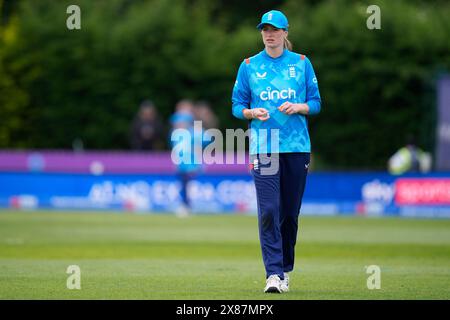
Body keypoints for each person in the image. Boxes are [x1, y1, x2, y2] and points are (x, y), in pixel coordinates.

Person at [231, 10, 322, 293]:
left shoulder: (302, 63)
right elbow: (236, 106)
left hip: (296, 146)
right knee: (268, 210)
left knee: (289, 214)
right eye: (265, 30)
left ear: (285, 33)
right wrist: (250, 112)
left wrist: (299, 107)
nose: (269, 34)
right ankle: (273, 273)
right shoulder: (248, 65)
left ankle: (285, 269)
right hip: (264, 147)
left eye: (275, 29)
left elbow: (316, 103)